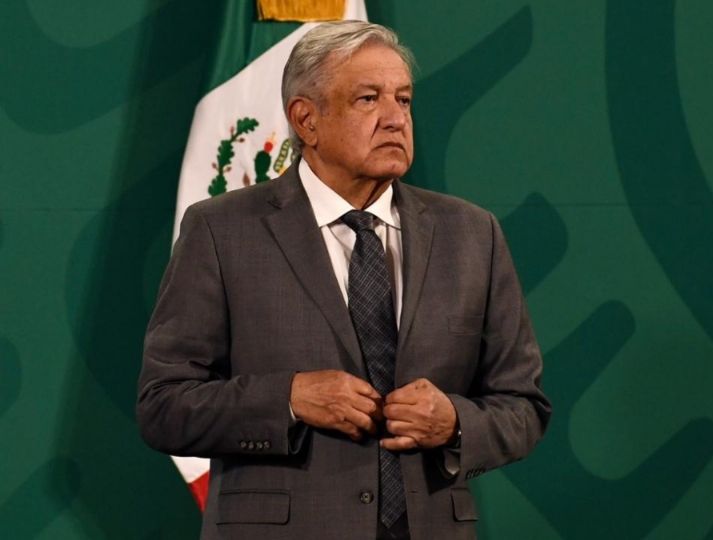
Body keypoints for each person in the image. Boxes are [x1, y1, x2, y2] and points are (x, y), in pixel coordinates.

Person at [137, 20, 550, 540]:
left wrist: (454, 422)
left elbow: (524, 406)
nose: (395, 119)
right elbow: (164, 406)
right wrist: (289, 399)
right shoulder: (221, 231)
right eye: (367, 100)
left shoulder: (472, 234)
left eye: (403, 100)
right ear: (306, 120)